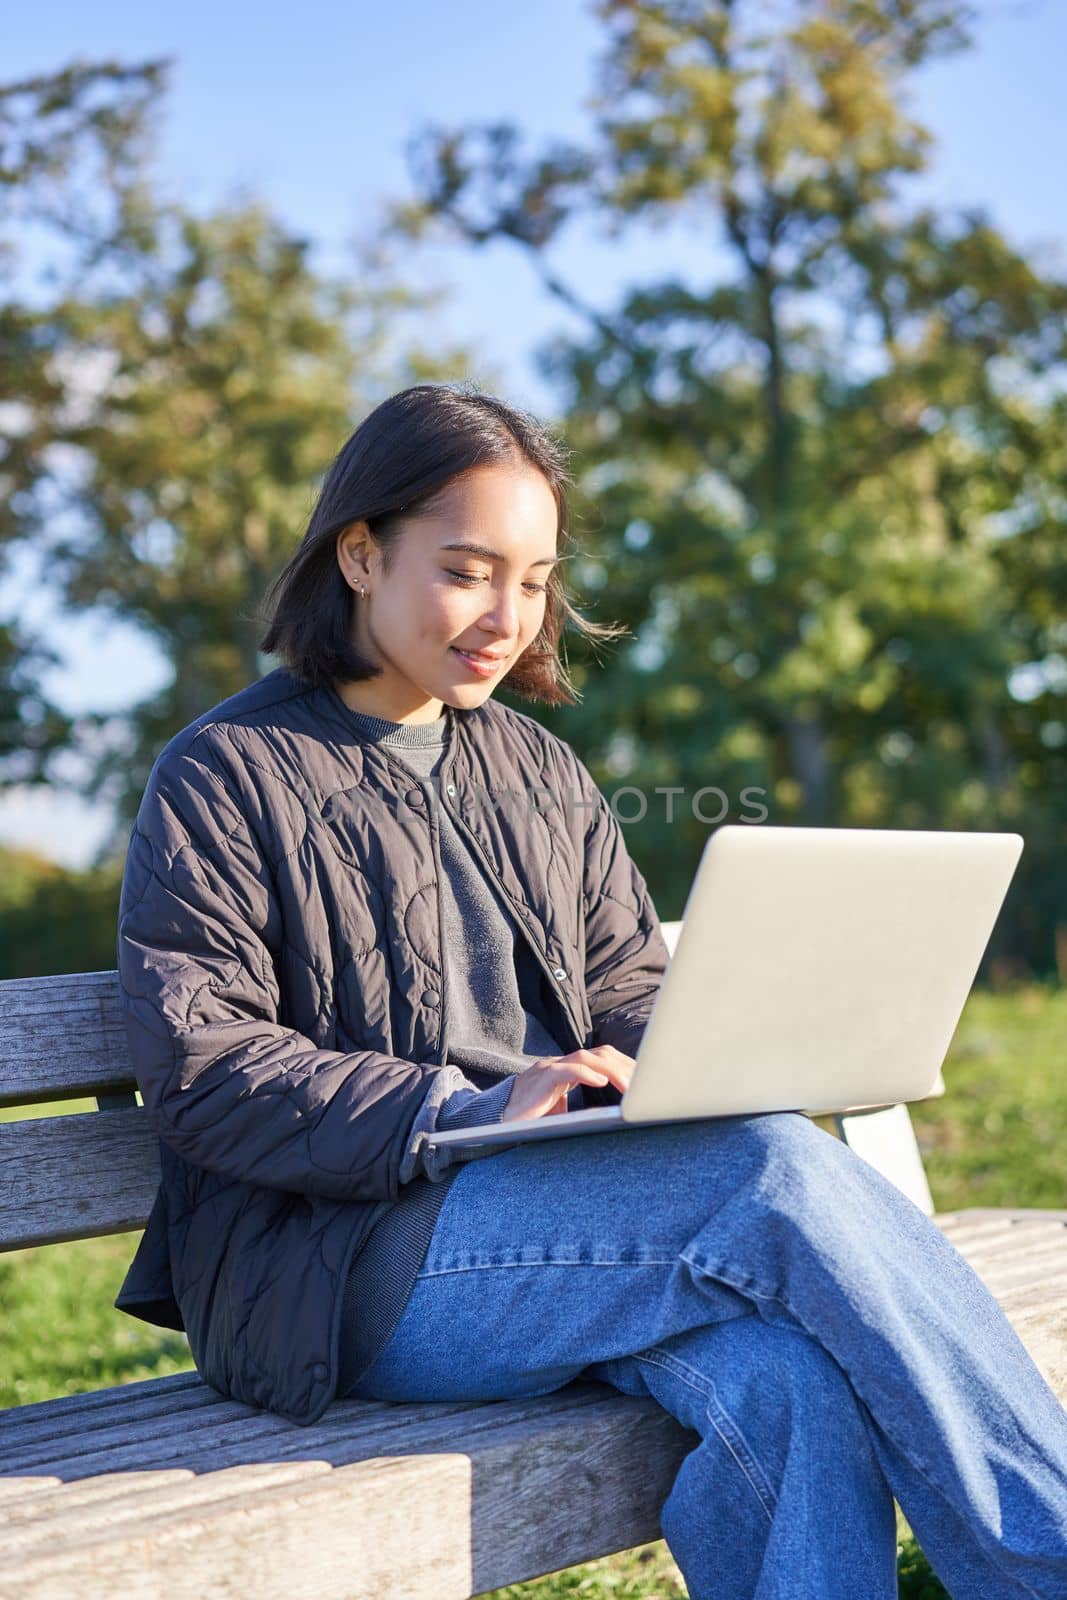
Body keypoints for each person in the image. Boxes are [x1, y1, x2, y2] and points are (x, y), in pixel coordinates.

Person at [114, 382, 1067, 1598]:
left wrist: (705, 1048)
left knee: (782, 1379)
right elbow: (207, 1066)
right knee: (764, 1172)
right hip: (342, 1269)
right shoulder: (226, 774)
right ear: (359, 553)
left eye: (532, 578)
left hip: (566, 1227)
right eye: (466, 570)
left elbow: (625, 982)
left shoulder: (537, 767)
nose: (505, 616)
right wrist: (455, 1112)